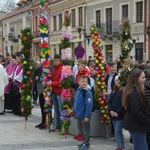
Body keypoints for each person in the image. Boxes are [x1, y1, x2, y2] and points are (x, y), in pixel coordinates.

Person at [122, 69, 150, 150]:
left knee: (144, 146)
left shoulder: (137, 90)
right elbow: (136, 111)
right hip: (136, 125)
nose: (145, 79)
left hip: (139, 125)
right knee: (140, 147)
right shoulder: (134, 92)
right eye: (143, 78)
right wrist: (147, 121)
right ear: (136, 79)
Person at [73, 75, 93, 150]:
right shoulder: (78, 90)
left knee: (85, 130)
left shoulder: (87, 92)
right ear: (79, 82)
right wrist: (74, 111)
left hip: (84, 115)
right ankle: (84, 141)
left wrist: (87, 116)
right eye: (82, 81)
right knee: (80, 128)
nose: (84, 83)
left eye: (85, 82)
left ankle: (86, 143)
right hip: (78, 114)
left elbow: (89, 105)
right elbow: (75, 101)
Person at [108, 76, 125, 150]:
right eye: (116, 80)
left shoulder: (123, 92)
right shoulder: (114, 92)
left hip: (119, 115)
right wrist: (110, 110)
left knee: (118, 131)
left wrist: (117, 112)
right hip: (113, 114)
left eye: (119, 80)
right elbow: (109, 102)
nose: (118, 82)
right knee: (115, 130)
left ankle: (121, 146)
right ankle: (118, 145)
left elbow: (123, 104)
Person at [47, 54, 63, 131]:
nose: (56, 62)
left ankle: (62, 126)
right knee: (56, 110)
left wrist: (52, 83)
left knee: (60, 109)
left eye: (57, 61)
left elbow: (61, 82)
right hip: (54, 91)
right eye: (55, 61)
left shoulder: (62, 68)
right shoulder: (54, 69)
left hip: (60, 91)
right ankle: (58, 125)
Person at [103, 61, 118, 137]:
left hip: (113, 96)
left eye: (115, 67)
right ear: (109, 67)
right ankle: (112, 131)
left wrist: (109, 93)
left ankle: (115, 132)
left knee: (113, 112)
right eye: (112, 67)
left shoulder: (117, 76)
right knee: (109, 113)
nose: (114, 68)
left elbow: (117, 88)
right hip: (107, 96)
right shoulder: (107, 76)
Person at [35, 65, 46, 129]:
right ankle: (43, 121)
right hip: (40, 90)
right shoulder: (39, 69)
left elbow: (46, 79)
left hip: (44, 91)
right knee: (42, 107)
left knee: (45, 107)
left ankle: (45, 122)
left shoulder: (46, 69)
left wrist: (38, 78)